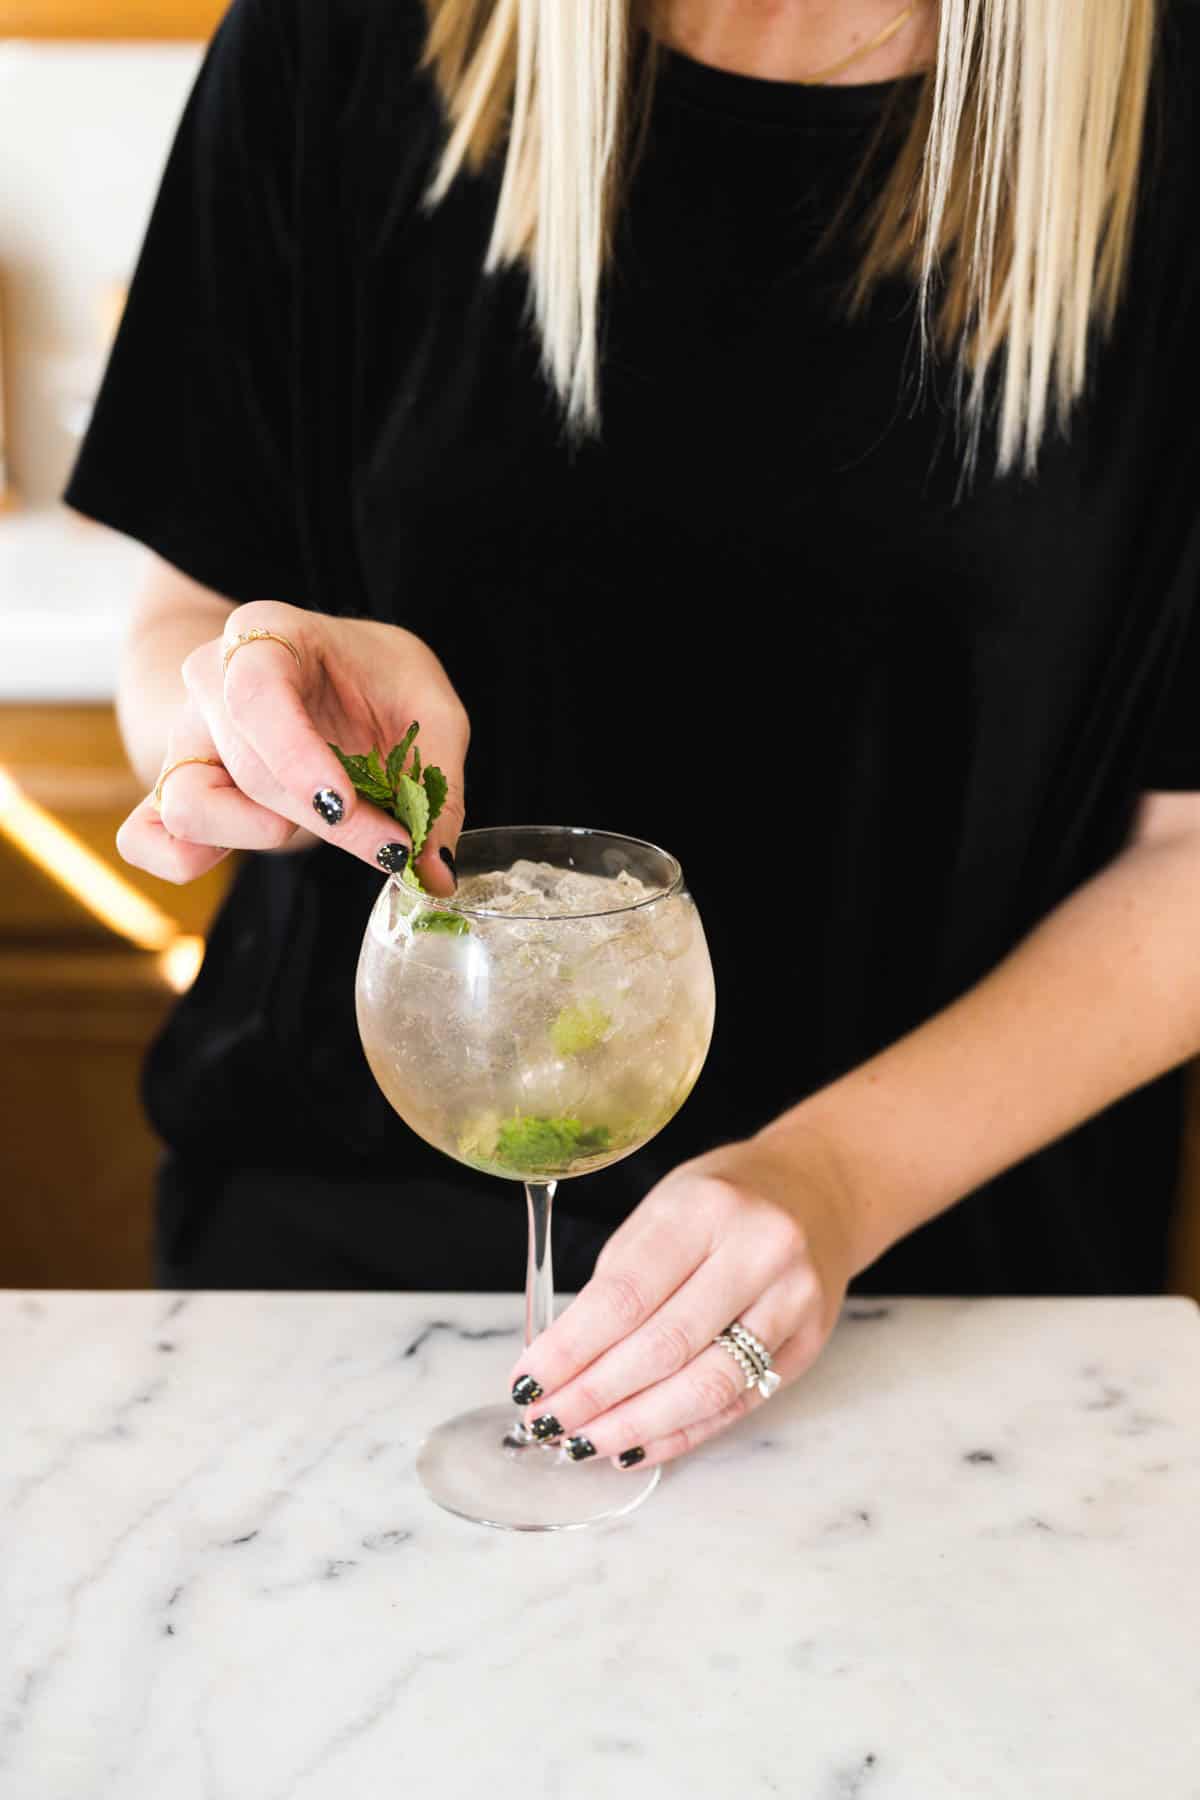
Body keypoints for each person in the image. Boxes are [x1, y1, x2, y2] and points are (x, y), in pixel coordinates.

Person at [67, 0, 1200, 1474]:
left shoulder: (1163, 115)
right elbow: (184, 622)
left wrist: (834, 1178)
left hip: (948, 1314)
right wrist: (252, 716)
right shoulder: (340, 39)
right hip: (335, 1284)